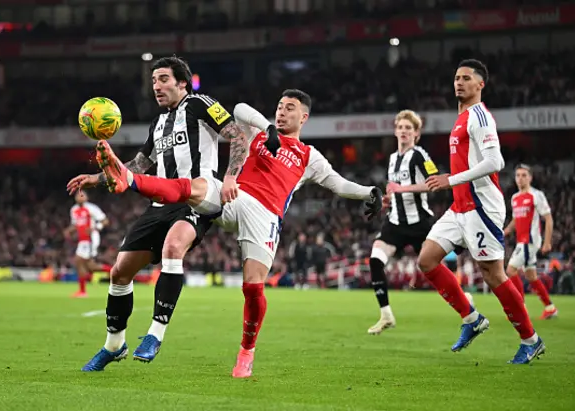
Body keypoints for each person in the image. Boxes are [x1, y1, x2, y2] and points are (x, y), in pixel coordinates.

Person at [94, 89, 385, 377]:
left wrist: (369, 192)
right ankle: (131, 181)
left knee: (253, 287)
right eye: (280, 106)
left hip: (265, 215)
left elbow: (338, 184)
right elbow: (240, 108)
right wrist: (268, 127)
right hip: (235, 197)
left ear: (304, 117)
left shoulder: (309, 156)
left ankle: (247, 350)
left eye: (290, 108)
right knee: (199, 185)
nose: (282, 112)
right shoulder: (259, 135)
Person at [66, 56, 252, 371]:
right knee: (119, 272)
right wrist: (97, 179)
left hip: (196, 196)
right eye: (153, 81)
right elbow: (139, 166)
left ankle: (155, 334)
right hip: (159, 203)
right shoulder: (158, 123)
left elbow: (238, 136)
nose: (156, 86)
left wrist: (232, 176)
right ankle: (114, 345)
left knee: (173, 248)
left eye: (163, 79)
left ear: (183, 82)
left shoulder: (200, 104)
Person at [417, 59, 545, 364]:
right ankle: (472, 318)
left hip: (481, 207)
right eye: (456, 78)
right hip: (459, 206)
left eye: (466, 78)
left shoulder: (479, 116)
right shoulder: (461, 118)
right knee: (427, 259)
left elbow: (494, 163)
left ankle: (531, 339)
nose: (459, 83)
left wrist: (451, 179)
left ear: (480, 85)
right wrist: (453, 183)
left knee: (493, 274)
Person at [367, 110, 438, 335]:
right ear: (395, 130)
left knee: (435, 272)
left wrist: (403, 189)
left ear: (416, 133)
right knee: (376, 260)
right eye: (401, 127)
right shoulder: (392, 158)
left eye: (409, 128)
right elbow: (394, 188)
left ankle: (466, 303)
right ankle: (386, 314)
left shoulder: (420, 155)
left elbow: (434, 183)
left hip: (420, 224)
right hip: (396, 223)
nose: (404, 131)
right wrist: (388, 199)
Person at [503, 164, 557, 319]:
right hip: (522, 241)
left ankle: (520, 308)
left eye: (524, 175)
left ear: (530, 178)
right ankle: (550, 307)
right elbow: (515, 219)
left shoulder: (536, 195)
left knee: (510, 270)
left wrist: (547, 242)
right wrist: (506, 231)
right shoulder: (515, 198)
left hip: (530, 241)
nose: (520, 178)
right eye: (518, 175)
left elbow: (548, 218)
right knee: (531, 276)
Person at [64, 191, 108, 298]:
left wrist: (95, 227)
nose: (80, 197)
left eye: (82, 195)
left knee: (78, 260)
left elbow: (105, 221)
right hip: (82, 240)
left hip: (91, 238)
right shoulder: (74, 210)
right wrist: (68, 230)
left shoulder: (92, 208)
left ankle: (82, 292)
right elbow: (75, 224)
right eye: (78, 195)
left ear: (87, 198)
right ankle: (116, 271)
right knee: (91, 266)